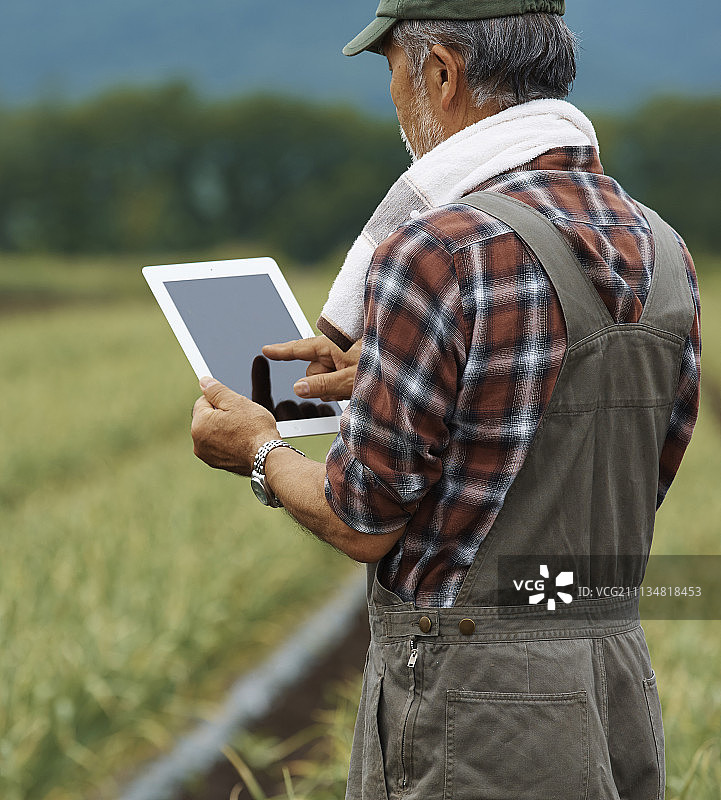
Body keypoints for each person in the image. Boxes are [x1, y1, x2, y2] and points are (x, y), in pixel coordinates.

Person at [191, 2, 702, 797]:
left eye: (393, 69)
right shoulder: (660, 246)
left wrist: (258, 450)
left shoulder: (436, 249)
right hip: (614, 685)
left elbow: (363, 519)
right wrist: (404, 380)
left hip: (475, 702)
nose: (395, 95)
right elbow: (645, 464)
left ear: (440, 72)